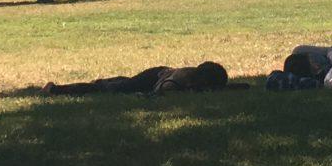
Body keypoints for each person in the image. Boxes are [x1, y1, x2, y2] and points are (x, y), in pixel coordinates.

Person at [43, 61, 231, 97]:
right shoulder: (184, 76)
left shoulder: (200, 81)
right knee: (112, 89)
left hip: (156, 74)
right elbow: (164, 89)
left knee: (123, 83)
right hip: (154, 77)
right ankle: (57, 90)